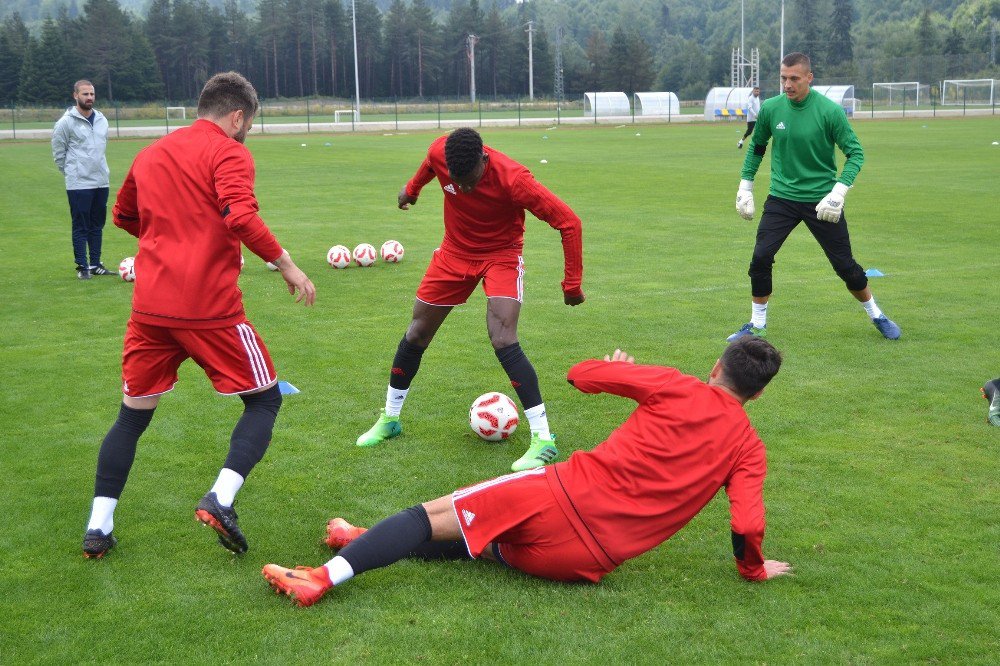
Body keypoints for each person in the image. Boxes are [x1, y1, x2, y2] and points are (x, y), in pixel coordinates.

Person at [262, 337, 792, 607]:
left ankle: (319, 580)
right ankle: (362, 540)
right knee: (481, 540)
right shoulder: (749, 448)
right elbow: (746, 525)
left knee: (432, 513)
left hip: (559, 498)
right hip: (581, 562)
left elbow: (580, 376)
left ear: (716, 367)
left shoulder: (678, 385)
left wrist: (622, 370)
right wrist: (753, 569)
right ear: (760, 393)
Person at [81, 72, 316, 559]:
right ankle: (221, 498)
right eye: (248, 123)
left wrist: (172, 235)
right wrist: (288, 266)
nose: (247, 131)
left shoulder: (151, 154)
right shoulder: (229, 151)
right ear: (236, 116)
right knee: (265, 400)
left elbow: (125, 216)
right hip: (209, 309)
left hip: (149, 309)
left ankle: (98, 527)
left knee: (131, 418)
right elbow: (242, 215)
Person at [354, 127, 585, 472]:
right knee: (417, 332)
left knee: (503, 336)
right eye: (457, 182)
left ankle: (543, 438)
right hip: (453, 254)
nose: (463, 189)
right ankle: (390, 418)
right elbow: (428, 166)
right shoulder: (440, 153)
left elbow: (569, 222)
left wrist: (572, 284)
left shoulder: (515, 179)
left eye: (471, 181)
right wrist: (411, 191)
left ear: (484, 159)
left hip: (501, 255)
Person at [730, 52, 901, 342]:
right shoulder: (771, 109)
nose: (787, 84)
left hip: (823, 201)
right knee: (760, 257)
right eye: (783, 78)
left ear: (809, 77)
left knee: (846, 267)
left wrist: (839, 190)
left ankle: (877, 314)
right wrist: (745, 186)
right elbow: (757, 146)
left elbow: (856, 153)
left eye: (794, 78)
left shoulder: (829, 112)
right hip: (782, 198)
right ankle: (757, 325)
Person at [51, 80, 113, 280]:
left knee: (97, 225)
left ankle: (95, 264)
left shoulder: (102, 119)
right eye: (85, 94)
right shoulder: (65, 122)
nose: (89, 98)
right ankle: (82, 267)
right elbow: (59, 155)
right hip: (79, 184)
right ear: (75, 95)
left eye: (92, 94)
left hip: (101, 181)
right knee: (81, 226)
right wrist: (73, 173)